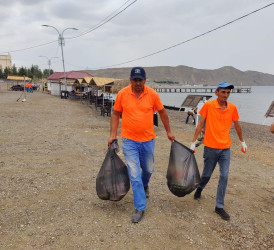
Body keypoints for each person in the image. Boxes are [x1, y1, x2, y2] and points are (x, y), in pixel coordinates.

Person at [108, 67, 175, 223]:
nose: (137, 83)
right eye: (135, 80)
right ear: (130, 80)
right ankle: (140, 207)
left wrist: (169, 132)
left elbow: (163, 113)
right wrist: (112, 135)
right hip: (129, 140)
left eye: (140, 80)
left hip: (148, 140)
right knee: (134, 175)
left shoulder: (152, 94)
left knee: (149, 169)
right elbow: (116, 114)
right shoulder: (122, 94)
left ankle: (146, 185)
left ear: (145, 80)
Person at [190, 82, 247, 221]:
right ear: (216, 92)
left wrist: (242, 141)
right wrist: (193, 142)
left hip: (225, 148)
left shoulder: (232, 108)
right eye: (223, 92)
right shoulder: (209, 105)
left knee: (224, 176)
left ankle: (219, 206)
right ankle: (200, 188)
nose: (226, 95)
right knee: (207, 175)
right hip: (210, 147)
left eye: (228, 93)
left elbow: (237, 125)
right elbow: (200, 124)